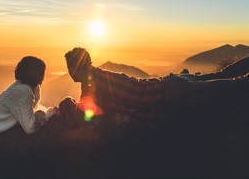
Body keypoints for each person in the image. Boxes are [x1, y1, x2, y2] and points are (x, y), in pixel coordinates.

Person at [59, 47, 249, 128]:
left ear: (77, 67)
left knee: (235, 84)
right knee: (222, 75)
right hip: (170, 84)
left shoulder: (91, 84)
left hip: (171, 90)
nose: (69, 72)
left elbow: (79, 119)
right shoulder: (97, 75)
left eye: (70, 67)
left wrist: (66, 101)